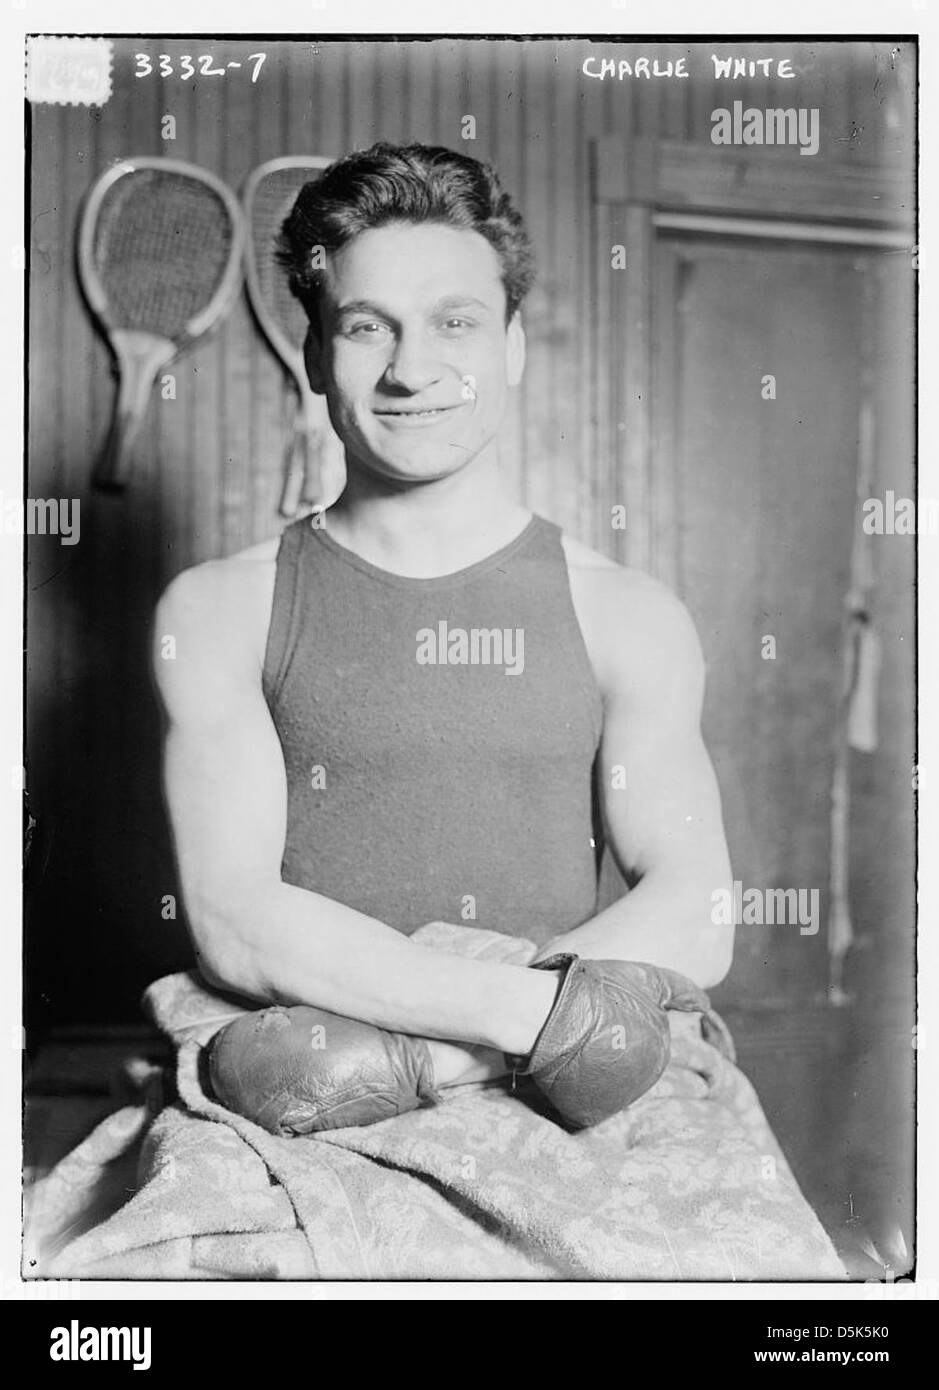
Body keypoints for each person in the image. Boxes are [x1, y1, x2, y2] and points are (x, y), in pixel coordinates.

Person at [153, 141, 735, 1131]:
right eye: (368, 329)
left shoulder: (628, 613)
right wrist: (517, 1014)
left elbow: (700, 902)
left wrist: (452, 1050)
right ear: (312, 354)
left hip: (559, 1071)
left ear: (511, 346)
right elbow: (232, 916)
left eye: (454, 323)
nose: (413, 370)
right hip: (319, 1074)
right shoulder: (216, 610)